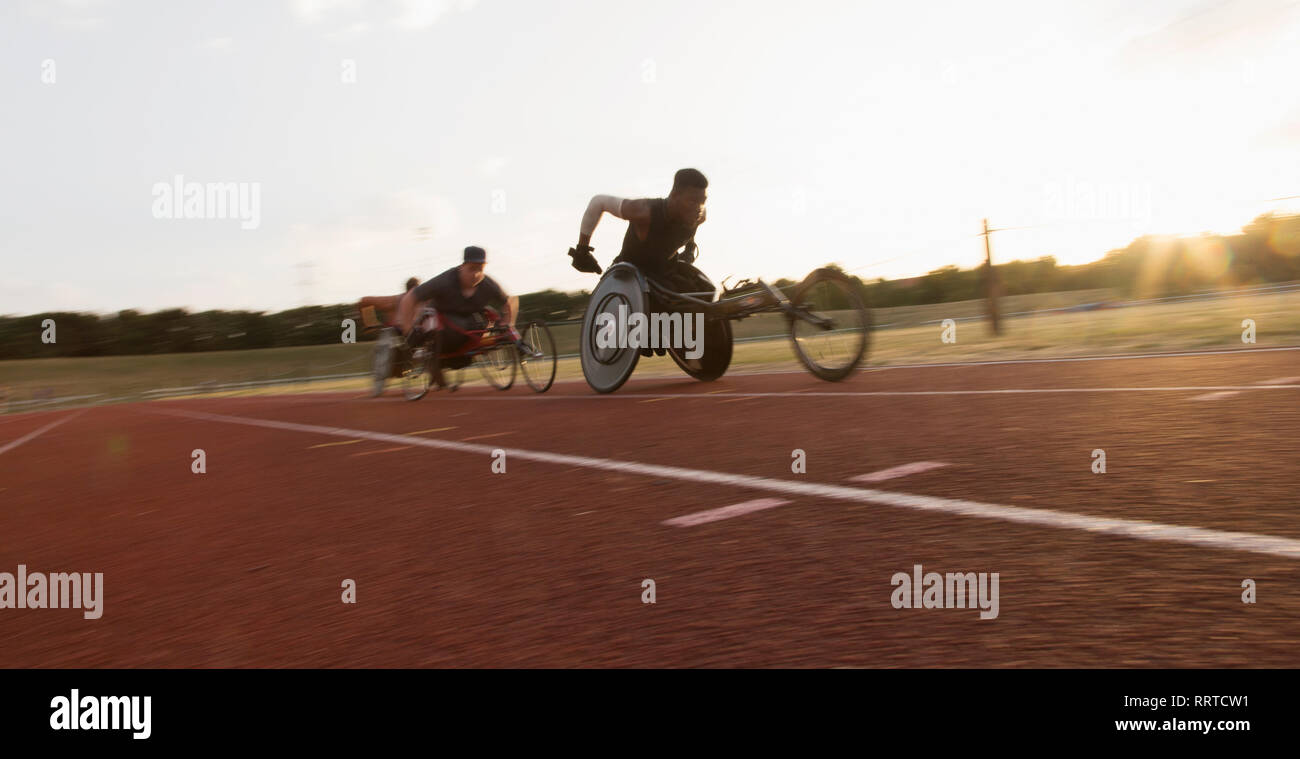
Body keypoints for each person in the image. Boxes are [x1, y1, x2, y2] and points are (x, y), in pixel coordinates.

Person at [568, 167, 710, 355]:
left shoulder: (699, 215)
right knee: (661, 308)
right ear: (675, 195)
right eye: (692, 200)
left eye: (702, 201)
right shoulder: (644, 211)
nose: (697, 207)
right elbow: (598, 201)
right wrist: (582, 250)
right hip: (630, 276)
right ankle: (632, 331)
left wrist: (689, 249)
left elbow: (688, 232)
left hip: (664, 271)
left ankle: (679, 337)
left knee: (705, 292)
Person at [396, 246, 519, 388]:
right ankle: (423, 357)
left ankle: (452, 358)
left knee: (486, 318)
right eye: (471, 269)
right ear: (462, 267)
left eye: (480, 269)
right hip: (442, 325)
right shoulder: (445, 281)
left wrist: (508, 322)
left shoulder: (488, 284)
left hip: (469, 325)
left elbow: (510, 301)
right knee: (433, 324)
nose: (476, 274)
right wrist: (408, 330)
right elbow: (409, 299)